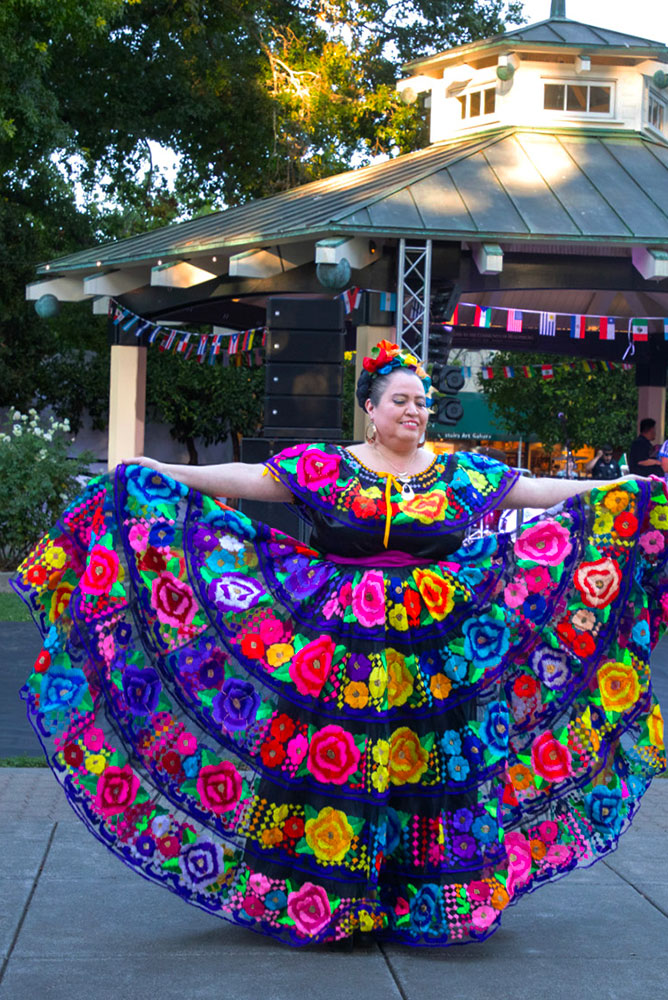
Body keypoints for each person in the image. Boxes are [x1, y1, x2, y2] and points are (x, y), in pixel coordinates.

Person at [11, 338, 668, 949]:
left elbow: (539, 491)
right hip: (340, 649)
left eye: (420, 401)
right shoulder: (328, 466)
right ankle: (322, 895)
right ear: (371, 409)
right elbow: (246, 479)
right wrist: (164, 471)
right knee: (332, 764)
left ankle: (427, 900)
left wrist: (618, 490)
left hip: (433, 658)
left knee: (429, 767)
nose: (414, 411)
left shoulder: (460, 473)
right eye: (400, 401)